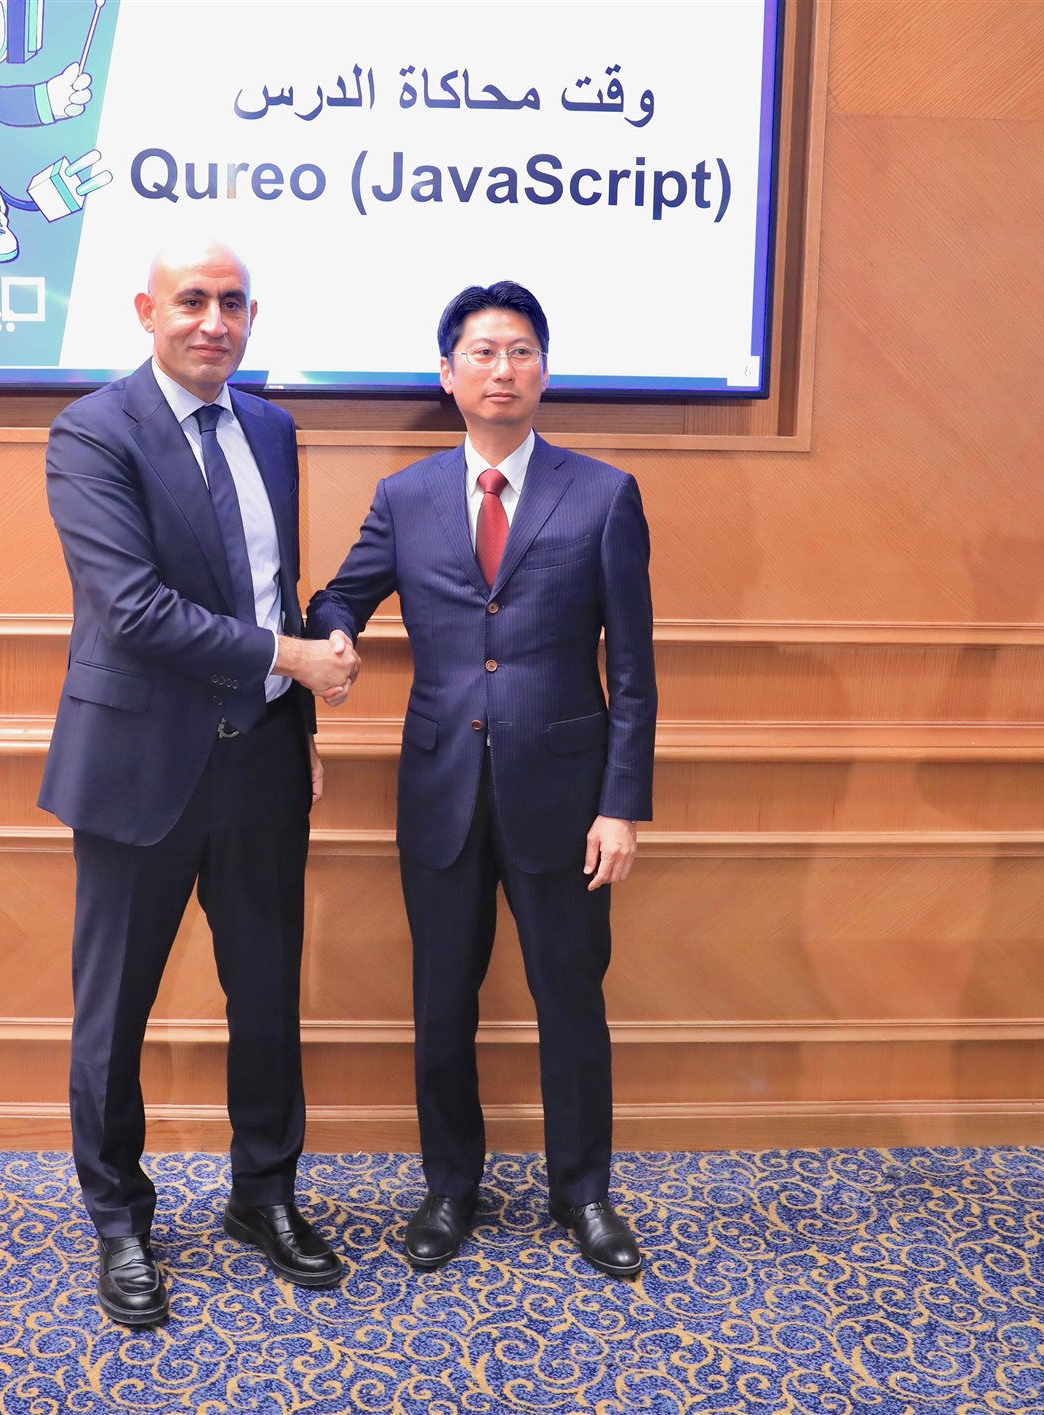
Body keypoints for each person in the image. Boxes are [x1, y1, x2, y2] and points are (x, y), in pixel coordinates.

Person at [307, 281, 657, 1278]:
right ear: (448, 374)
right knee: (441, 1001)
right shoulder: (406, 496)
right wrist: (334, 635)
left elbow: (633, 669)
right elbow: (339, 593)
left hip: (567, 797)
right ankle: (449, 1187)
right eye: (482, 352)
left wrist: (621, 803)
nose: (502, 369)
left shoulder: (604, 494)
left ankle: (583, 1192)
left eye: (520, 351)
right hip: (440, 788)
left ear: (543, 370)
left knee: (570, 999)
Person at [40, 239, 359, 1325]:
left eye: (232, 303)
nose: (214, 321)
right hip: (139, 764)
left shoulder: (271, 428)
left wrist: (296, 718)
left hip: (261, 760)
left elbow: (274, 588)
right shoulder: (93, 431)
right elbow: (132, 607)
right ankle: (119, 1219)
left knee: (266, 998)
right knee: (114, 1012)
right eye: (192, 301)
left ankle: (264, 1195)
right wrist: (291, 659)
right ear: (146, 311)